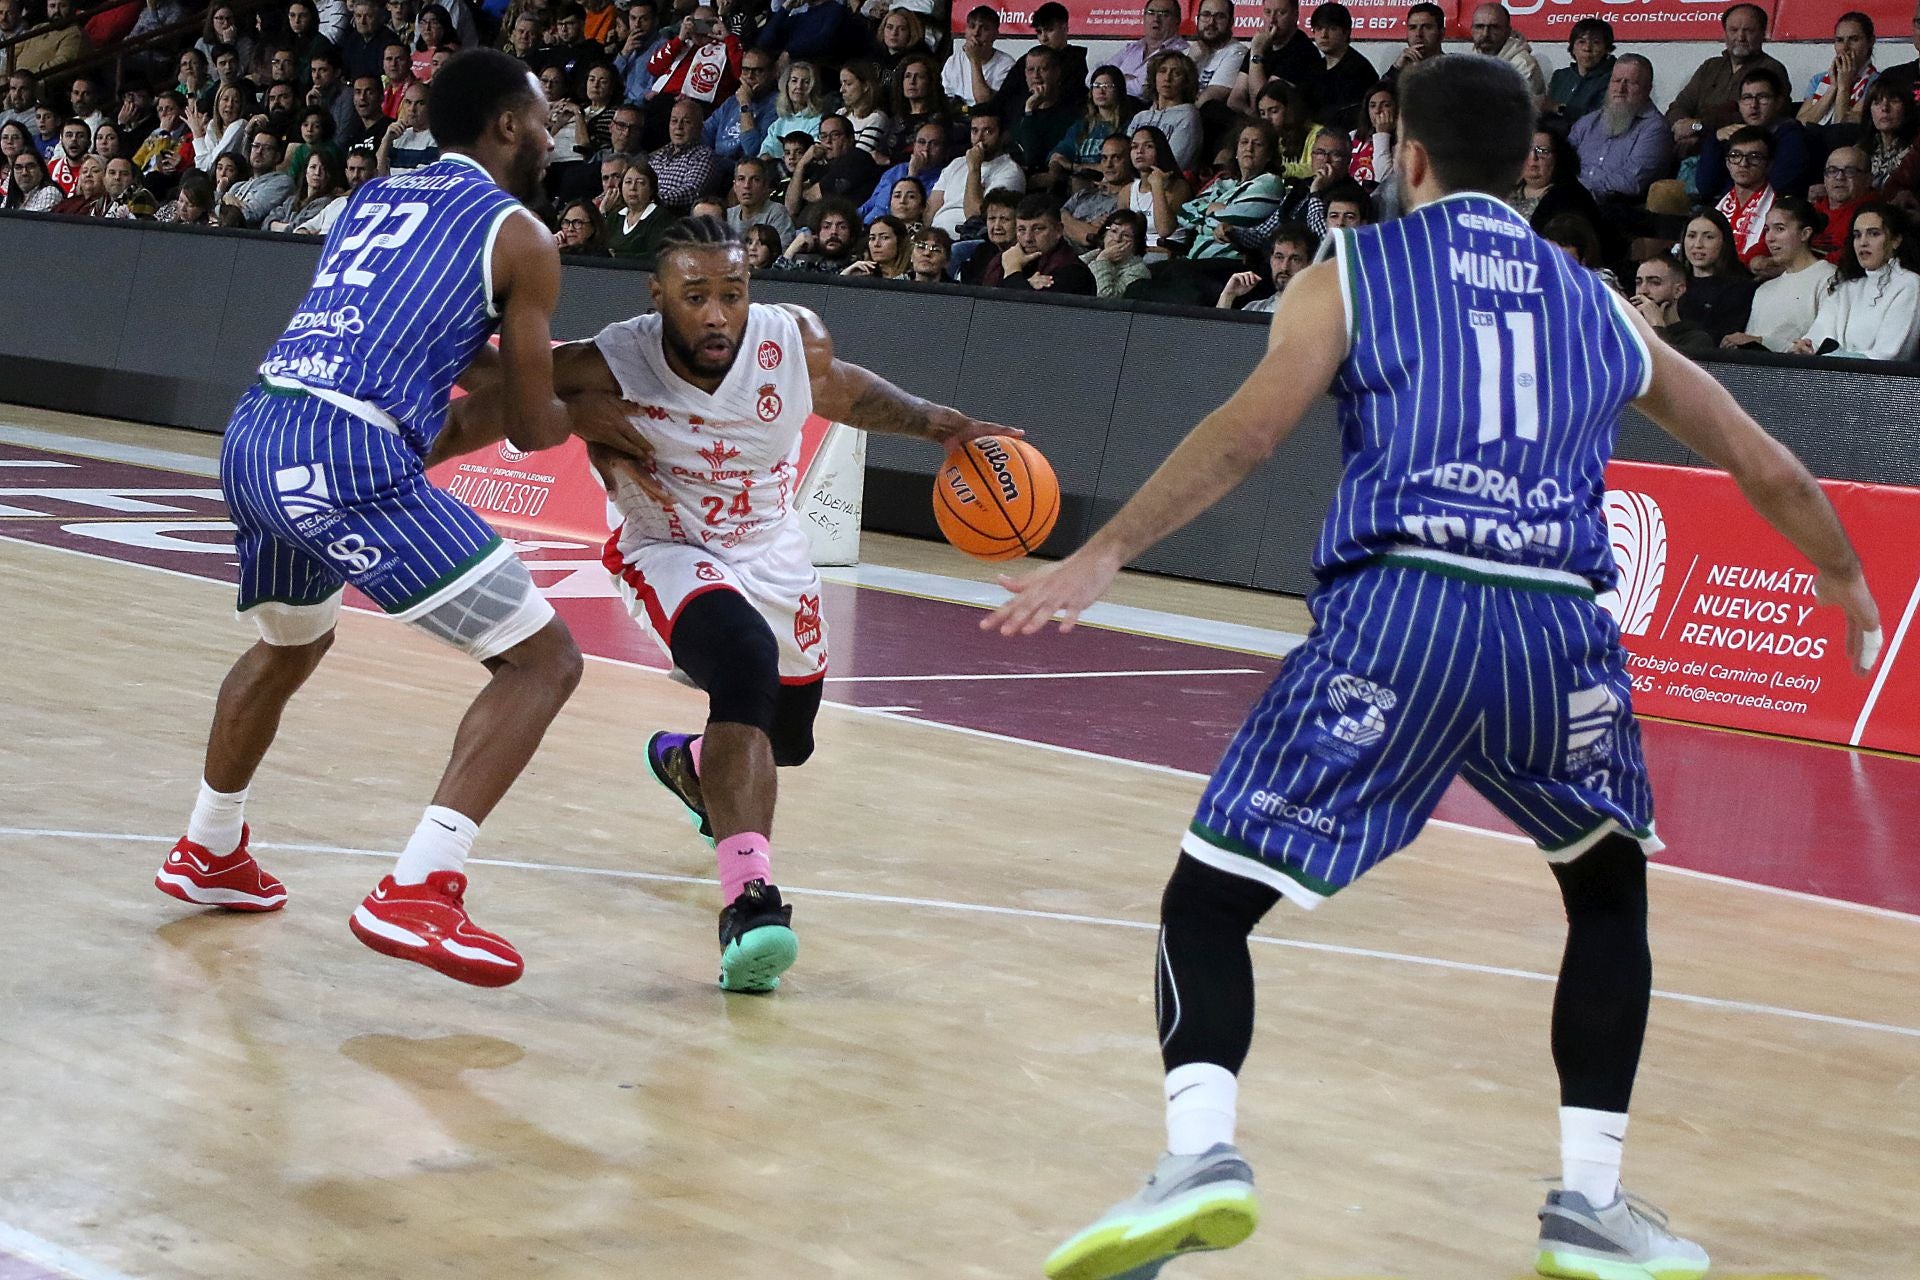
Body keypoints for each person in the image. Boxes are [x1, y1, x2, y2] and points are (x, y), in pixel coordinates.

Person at [986, 52, 1883, 1280]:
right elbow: (1765, 460)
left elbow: (1249, 433)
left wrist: (1102, 553)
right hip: (1559, 635)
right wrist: (1843, 577)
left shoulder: (1351, 268)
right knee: (1606, 889)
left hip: (1404, 609)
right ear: (1530, 162)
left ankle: (1201, 1153)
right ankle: (1591, 1201)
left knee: (1212, 898)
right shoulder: (1601, 302)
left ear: (1405, 156)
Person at [153, 50, 655, 989]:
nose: (555, 139)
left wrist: (553, 374)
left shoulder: (379, 195)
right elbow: (531, 422)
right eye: (545, 121)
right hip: (346, 451)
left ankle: (209, 847)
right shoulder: (522, 236)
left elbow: (441, 351)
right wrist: (592, 408)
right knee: (544, 659)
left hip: (257, 429)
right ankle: (420, 888)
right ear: (508, 125)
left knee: (292, 645)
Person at [453, 215, 1014, 991]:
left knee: (786, 744)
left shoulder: (792, 339)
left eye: (732, 293)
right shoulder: (618, 358)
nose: (717, 313)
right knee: (742, 666)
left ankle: (690, 766)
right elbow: (496, 378)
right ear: (659, 298)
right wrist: (581, 415)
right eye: (695, 296)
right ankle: (751, 904)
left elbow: (845, 392)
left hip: (771, 549)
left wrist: (935, 425)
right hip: (667, 547)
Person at [1793, 202, 1920, 359]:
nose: (1863, 242)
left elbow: (1888, 356)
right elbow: (1818, 335)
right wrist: (1805, 347)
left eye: (1873, 234)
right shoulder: (1847, 285)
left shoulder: (1909, 284)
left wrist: (1830, 358)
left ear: (1896, 240)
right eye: (1857, 235)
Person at [1665, 4, 1788, 156]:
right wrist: (1680, 125)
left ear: (1763, 33)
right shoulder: (1710, 66)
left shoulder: (1771, 69)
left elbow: (1744, 118)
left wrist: (1698, 127)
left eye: (1748, 31)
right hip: (1688, 146)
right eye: (1734, 30)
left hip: (1736, 152)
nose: (1740, 37)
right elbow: (1679, 105)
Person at [1722, 196, 1835, 350]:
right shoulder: (1764, 289)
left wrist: (1761, 341)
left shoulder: (1829, 278)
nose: (1769, 238)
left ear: (1805, 234)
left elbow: (1820, 346)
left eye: (1780, 229)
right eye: (1767, 230)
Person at [1568, 55, 1670, 202]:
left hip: (1615, 209)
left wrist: (1578, 190)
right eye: (1616, 80)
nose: (1620, 89)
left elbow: (1631, 182)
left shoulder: (1655, 129)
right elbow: (1561, 162)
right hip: (1570, 200)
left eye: (1630, 83)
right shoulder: (1587, 122)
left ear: (1647, 89)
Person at [926, 110, 1024, 236]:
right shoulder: (957, 163)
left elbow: (976, 217)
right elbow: (931, 209)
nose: (979, 138)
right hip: (936, 237)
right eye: (974, 131)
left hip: (969, 239)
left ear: (1003, 136)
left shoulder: (1010, 171)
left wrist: (974, 169)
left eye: (988, 131)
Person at [982, 191, 1096, 292]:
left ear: (1058, 230)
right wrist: (1026, 284)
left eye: (1037, 229)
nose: (1028, 238)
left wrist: (1012, 272)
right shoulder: (1002, 260)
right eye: (1021, 229)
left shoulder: (1072, 272)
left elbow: (1030, 313)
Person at [1678, 209, 1756, 342]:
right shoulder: (1673, 283)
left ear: (1724, 242)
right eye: (1691, 236)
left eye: (1708, 237)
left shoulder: (1741, 289)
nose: (1698, 245)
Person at [1304, 2, 1376, 132]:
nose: (1324, 35)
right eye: (1319, 28)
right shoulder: (1314, 67)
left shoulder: (1360, 70)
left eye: (1331, 28)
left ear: (1346, 32)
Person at [1799, 12, 1878, 128]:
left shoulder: (1877, 82)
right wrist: (1833, 87)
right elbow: (1799, 124)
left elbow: (1840, 128)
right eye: (1840, 40)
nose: (1845, 48)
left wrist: (1844, 88)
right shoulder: (1818, 79)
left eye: (1854, 39)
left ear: (1871, 41)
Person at [1126, 50, 1201, 173]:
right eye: (1162, 71)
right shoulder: (1140, 117)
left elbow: (1175, 163)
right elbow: (1125, 156)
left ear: (1186, 82)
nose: (1167, 78)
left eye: (1176, 73)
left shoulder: (1188, 116)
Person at [1714, 125, 1777, 268]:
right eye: (1735, 156)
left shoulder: (1778, 208)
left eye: (1754, 157)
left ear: (1769, 165)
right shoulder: (1717, 208)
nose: (1743, 163)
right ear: (1727, 163)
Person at [1217, 221, 1315, 311]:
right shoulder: (1255, 309)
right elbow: (1217, 330)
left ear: (1309, 264)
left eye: (1295, 259)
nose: (1284, 267)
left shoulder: (1318, 311)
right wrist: (1227, 296)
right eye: (1279, 257)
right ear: (1271, 260)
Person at [1628, 254, 1715, 355]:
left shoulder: (1697, 339)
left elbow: (1667, 367)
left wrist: (1657, 326)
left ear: (1678, 290)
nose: (1643, 290)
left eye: (1655, 282)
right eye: (1638, 282)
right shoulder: (1628, 331)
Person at [1109, 0, 1190, 101]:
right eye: (1151, 13)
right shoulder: (1132, 48)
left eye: (1164, 14)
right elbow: (1093, 76)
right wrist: (1125, 80)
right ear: (1144, 17)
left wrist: (1110, 81)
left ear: (1177, 20)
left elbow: (1144, 89)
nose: (1156, 19)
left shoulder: (1181, 52)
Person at [942, 5, 1014, 114]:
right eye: (972, 26)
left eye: (984, 28)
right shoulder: (953, 61)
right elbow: (946, 99)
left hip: (989, 119)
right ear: (966, 32)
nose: (976, 33)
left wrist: (974, 60)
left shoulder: (1006, 64)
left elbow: (984, 102)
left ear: (995, 35)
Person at [1470, 3, 1544, 101]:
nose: (1485, 34)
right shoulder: (1471, 59)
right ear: (1471, 30)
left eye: (1494, 27)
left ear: (1508, 31)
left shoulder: (1523, 64)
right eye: (1479, 27)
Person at [1812, 144, 1873, 262]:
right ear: (1824, 179)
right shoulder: (1813, 209)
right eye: (1832, 171)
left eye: (1850, 171)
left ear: (1868, 180)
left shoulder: (1875, 214)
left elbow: (1852, 257)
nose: (1839, 177)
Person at [1546, 18, 1613, 122]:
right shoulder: (1560, 76)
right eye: (1581, 42)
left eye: (1596, 42)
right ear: (1573, 47)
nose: (1587, 48)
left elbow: (1599, 118)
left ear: (1607, 49)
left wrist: (1559, 108)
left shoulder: (1612, 79)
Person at [1083, 208, 1150, 296]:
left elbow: (1105, 299)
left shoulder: (1139, 272)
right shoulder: (1091, 256)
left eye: (1126, 235)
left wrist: (1102, 260)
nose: (1117, 239)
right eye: (1113, 231)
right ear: (1104, 234)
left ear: (1136, 243)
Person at [1863, 79, 1916, 189]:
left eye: (1894, 101)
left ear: (1907, 108)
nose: (1884, 108)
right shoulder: (1861, 151)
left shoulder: (1915, 151)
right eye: (1877, 102)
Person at [1383, 2, 1447, 86]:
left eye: (1427, 27)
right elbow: (1377, 95)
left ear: (1441, 33)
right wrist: (1397, 68)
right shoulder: (1400, 70)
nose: (1418, 34)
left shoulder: (1453, 69)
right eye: (1412, 28)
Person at [728, 154, 793, 236]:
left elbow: (783, 248)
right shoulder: (728, 216)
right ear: (734, 186)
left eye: (755, 179)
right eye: (741, 179)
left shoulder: (777, 214)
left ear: (765, 185)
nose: (747, 185)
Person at [842, 211, 911, 276]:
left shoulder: (913, 276)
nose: (876, 244)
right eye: (872, 238)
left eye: (884, 237)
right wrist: (846, 274)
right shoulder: (861, 274)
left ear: (900, 242)